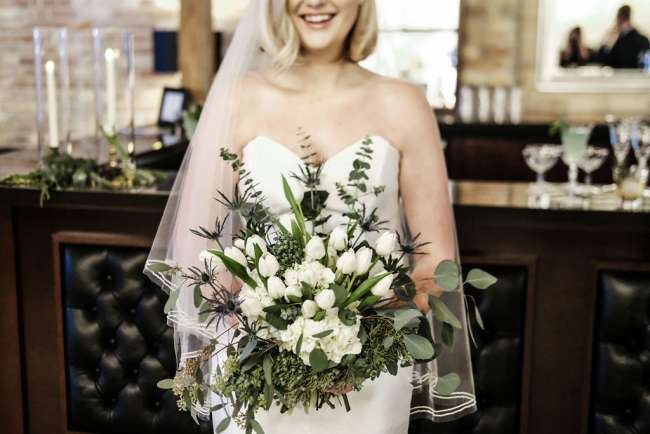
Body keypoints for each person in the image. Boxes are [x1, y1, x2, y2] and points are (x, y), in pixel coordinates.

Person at [144, 1, 476, 433]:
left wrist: (360, 342)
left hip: (369, 375)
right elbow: (198, 256)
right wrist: (266, 332)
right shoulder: (237, 98)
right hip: (256, 365)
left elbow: (436, 263)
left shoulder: (404, 103)